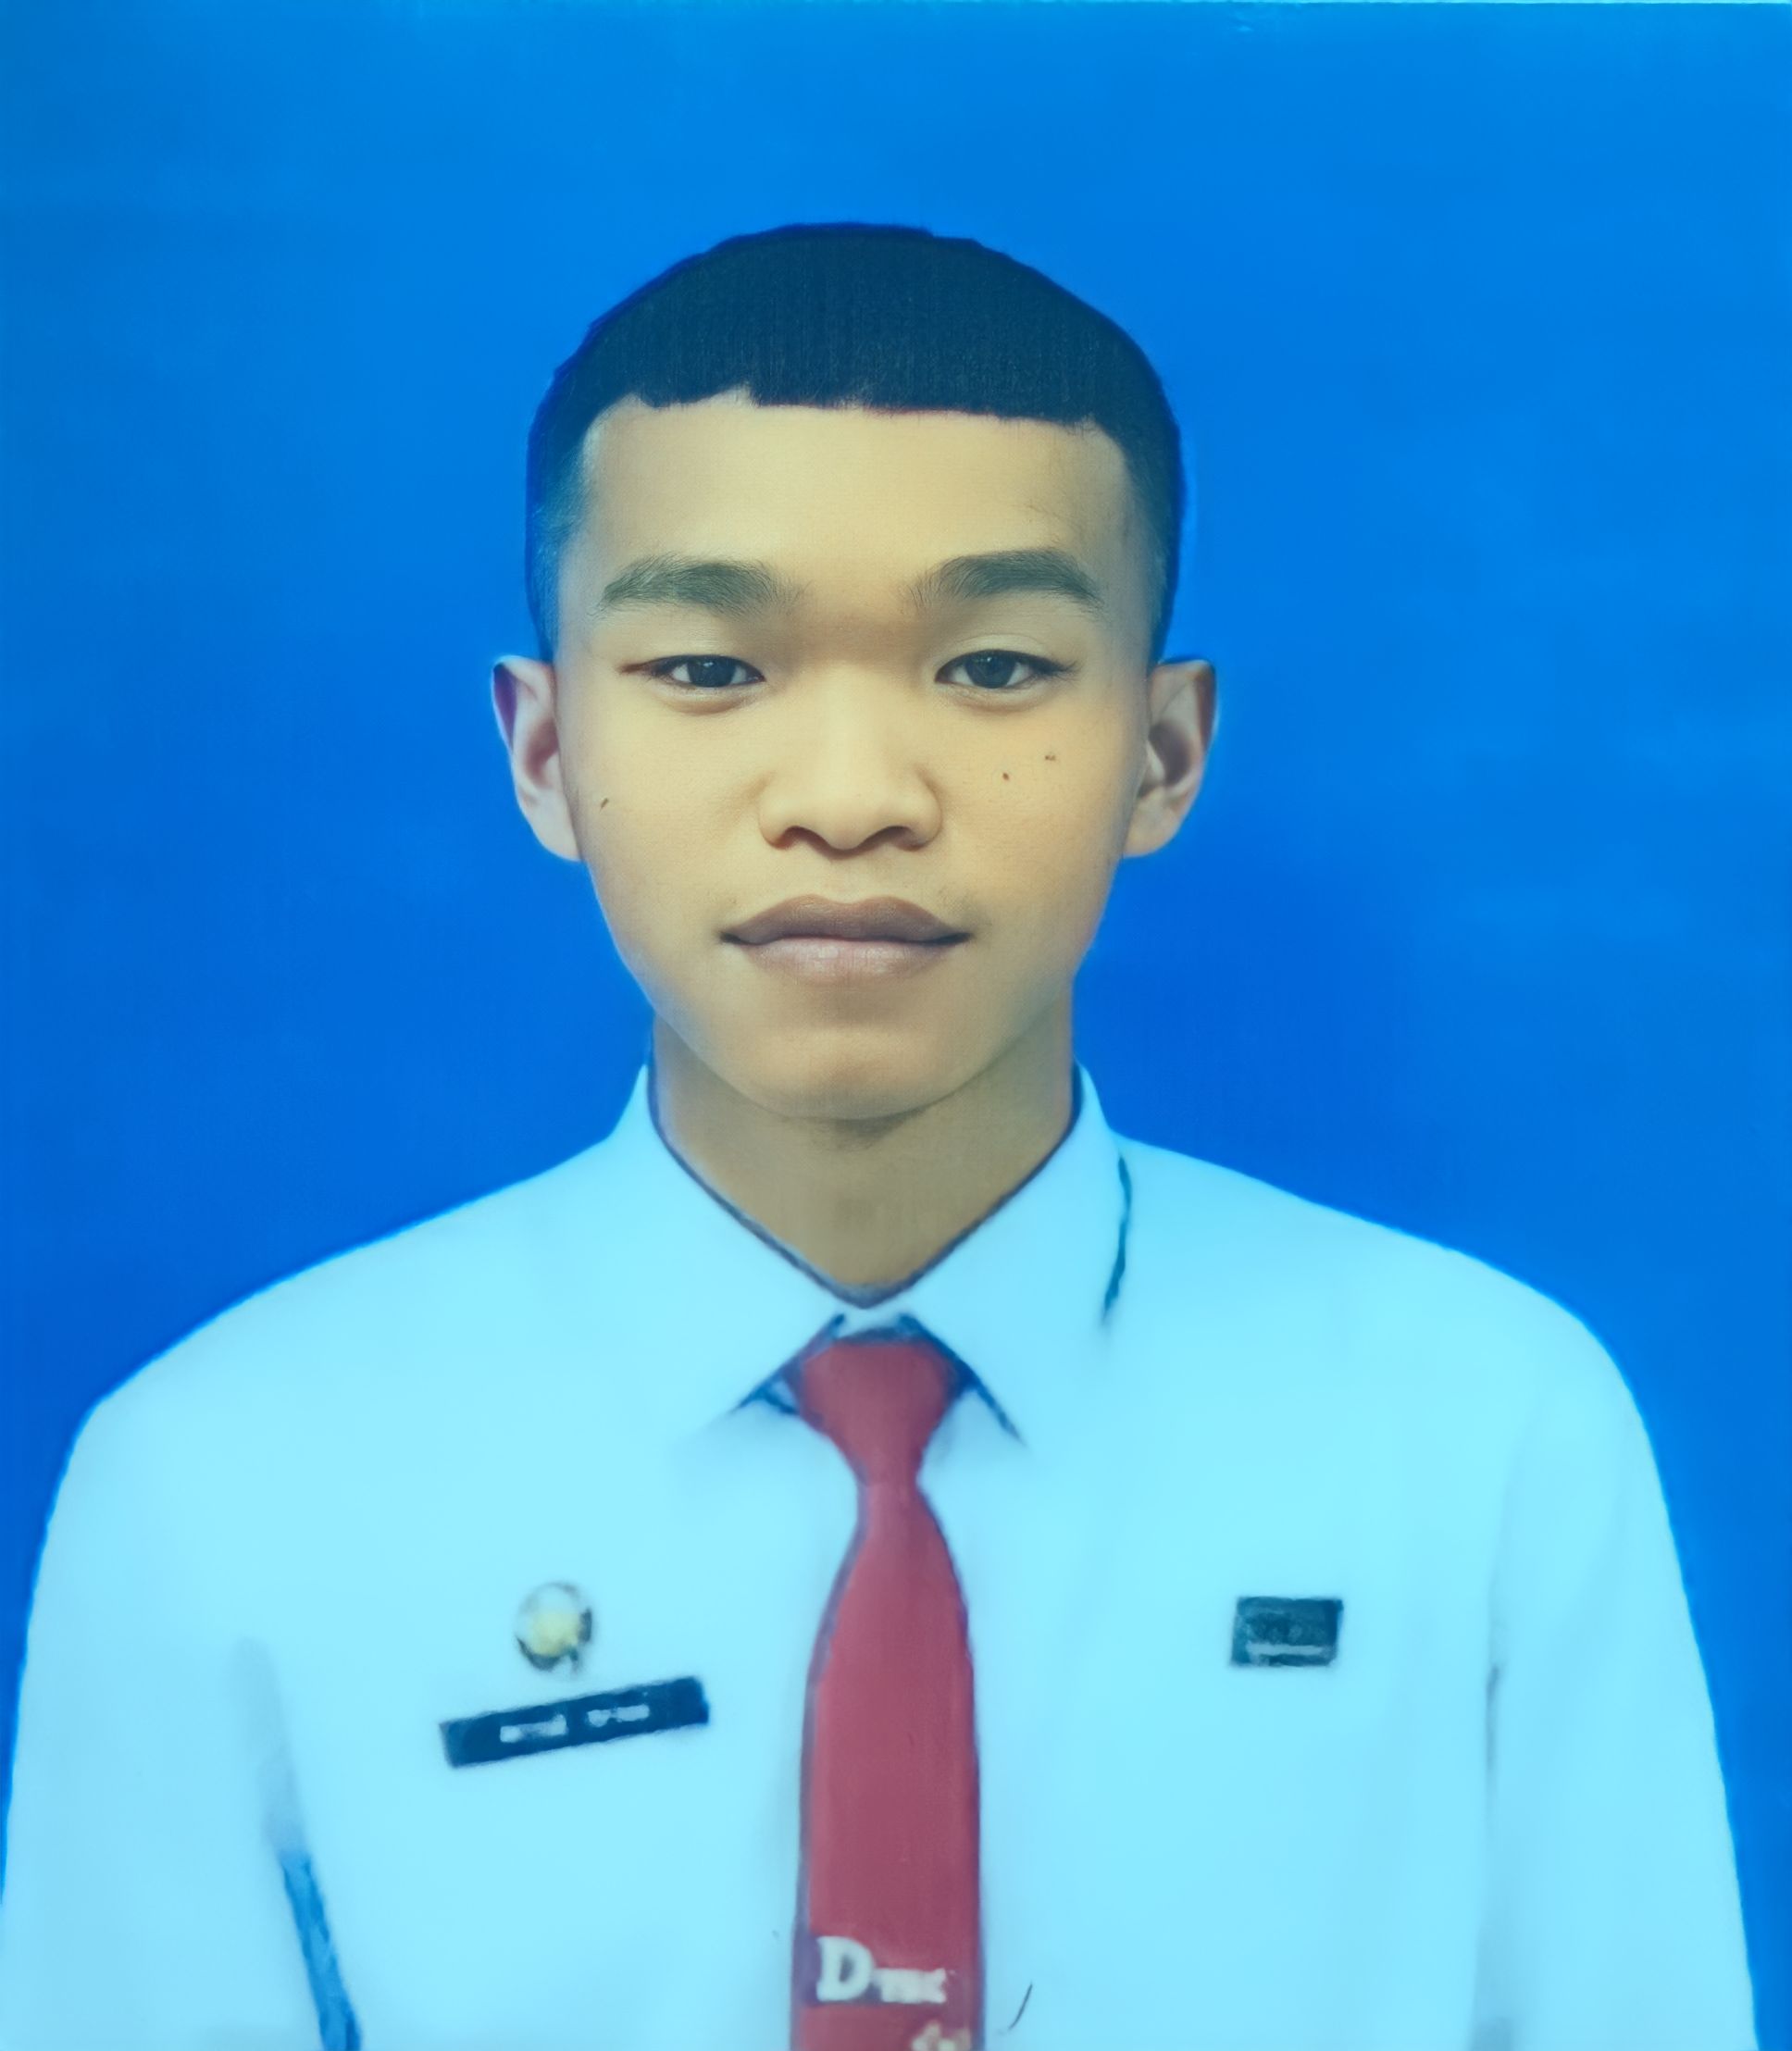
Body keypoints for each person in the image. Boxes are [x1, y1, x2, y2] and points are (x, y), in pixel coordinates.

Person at [0, 222, 1758, 2051]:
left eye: (991, 667)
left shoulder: (1481, 1431)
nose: (849, 800)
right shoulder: (229, 1485)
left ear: (1162, 753)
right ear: (542, 752)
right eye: (709, 668)